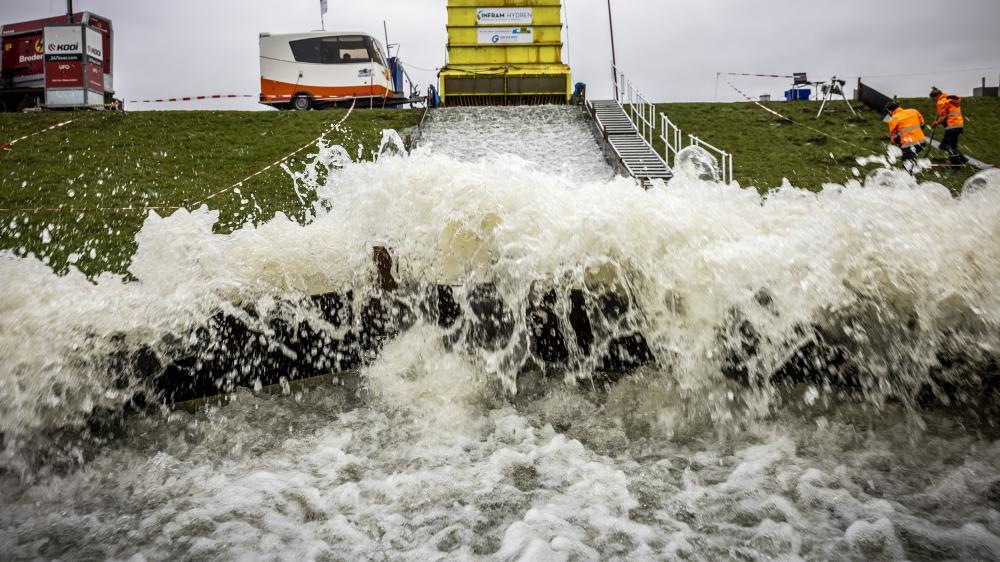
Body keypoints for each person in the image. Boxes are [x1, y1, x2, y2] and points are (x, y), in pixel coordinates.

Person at [929, 87, 968, 166]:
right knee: (949, 145)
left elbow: (943, 117)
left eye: (933, 99)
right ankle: (962, 159)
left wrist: (935, 123)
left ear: (936, 96)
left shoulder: (940, 102)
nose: (934, 101)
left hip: (951, 126)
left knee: (947, 145)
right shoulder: (948, 99)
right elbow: (944, 113)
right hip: (958, 125)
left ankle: (956, 162)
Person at [885, 101, 927, 172]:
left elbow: (894, 138)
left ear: (889, 110)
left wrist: (897, 143)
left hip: (909, 144)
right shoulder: (913, 111)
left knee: (906, 164)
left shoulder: (893, 119)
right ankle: (913, 163)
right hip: (922, 142)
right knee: (910, 155)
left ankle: (908, 176)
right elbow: (923, 124)